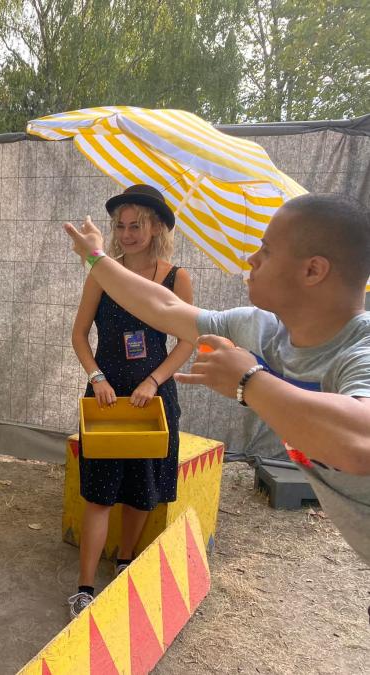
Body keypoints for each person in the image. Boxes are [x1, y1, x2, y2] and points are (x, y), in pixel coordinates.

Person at [63, 192, 370, 571]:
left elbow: (360, 443)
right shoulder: (260, 328)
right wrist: (96, 258)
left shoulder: (361, 348)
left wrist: (249, 382)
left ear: (313, 271)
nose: (252, 259)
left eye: (267, 251)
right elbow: (164, 307)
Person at [68, 184, 194, 618]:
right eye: (120, 226)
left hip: (153, 400)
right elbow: (79, 335)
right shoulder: (102, 271)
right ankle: (85, 587)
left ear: (156, 226)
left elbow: (187, 340)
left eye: (135, 225)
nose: (126, 234)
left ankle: (124, 563)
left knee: (142, 490)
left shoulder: (177, 278)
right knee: (99, 495)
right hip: (105, 398)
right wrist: (97, 376)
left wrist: (154, 381)